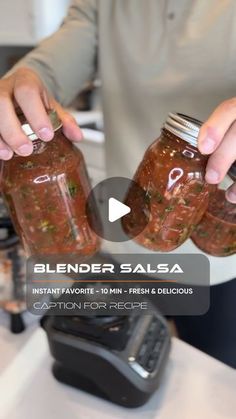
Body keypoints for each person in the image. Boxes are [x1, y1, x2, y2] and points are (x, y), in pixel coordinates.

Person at [0, 0, 236, 366]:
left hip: (218, 266)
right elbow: (50, 64)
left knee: (213, 381)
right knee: (114, 366)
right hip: (120, 245)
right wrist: (23, 82)